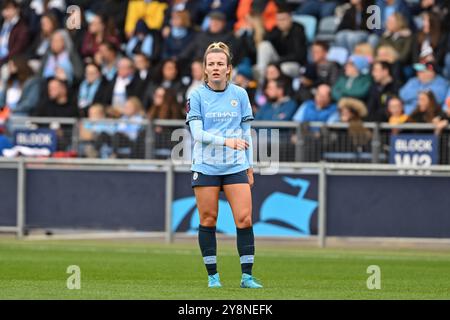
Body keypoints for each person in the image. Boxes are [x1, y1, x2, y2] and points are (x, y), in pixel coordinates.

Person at [185, 42, 262, 289]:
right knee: (208, 219)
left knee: (245, 218)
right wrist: (227, 141)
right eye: (211, 64)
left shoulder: (240, 94)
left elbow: (246, 132)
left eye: (220, 64)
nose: (215, 68)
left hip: (235, 165)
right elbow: (197, 133)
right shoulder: (196, 95)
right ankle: (213, 276)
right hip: (206, 165)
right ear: (205, 70)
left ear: (229, 69)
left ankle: (247, 276)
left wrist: (249, 165)